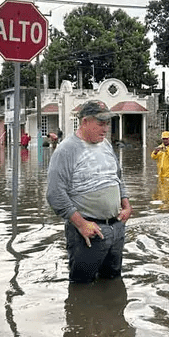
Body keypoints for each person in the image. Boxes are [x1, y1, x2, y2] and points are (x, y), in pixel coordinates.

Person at [47, 100, 132, 282]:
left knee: (113, 282)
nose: (106, 128)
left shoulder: (106, 145)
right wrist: (81, 224)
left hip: (116, 227)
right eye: (100, 123)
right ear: (84, 122)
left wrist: (126, 205)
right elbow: (55, 194)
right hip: (88, 232)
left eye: (107, 123)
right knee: (82, 287)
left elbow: (117, 176)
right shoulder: (66, 150)